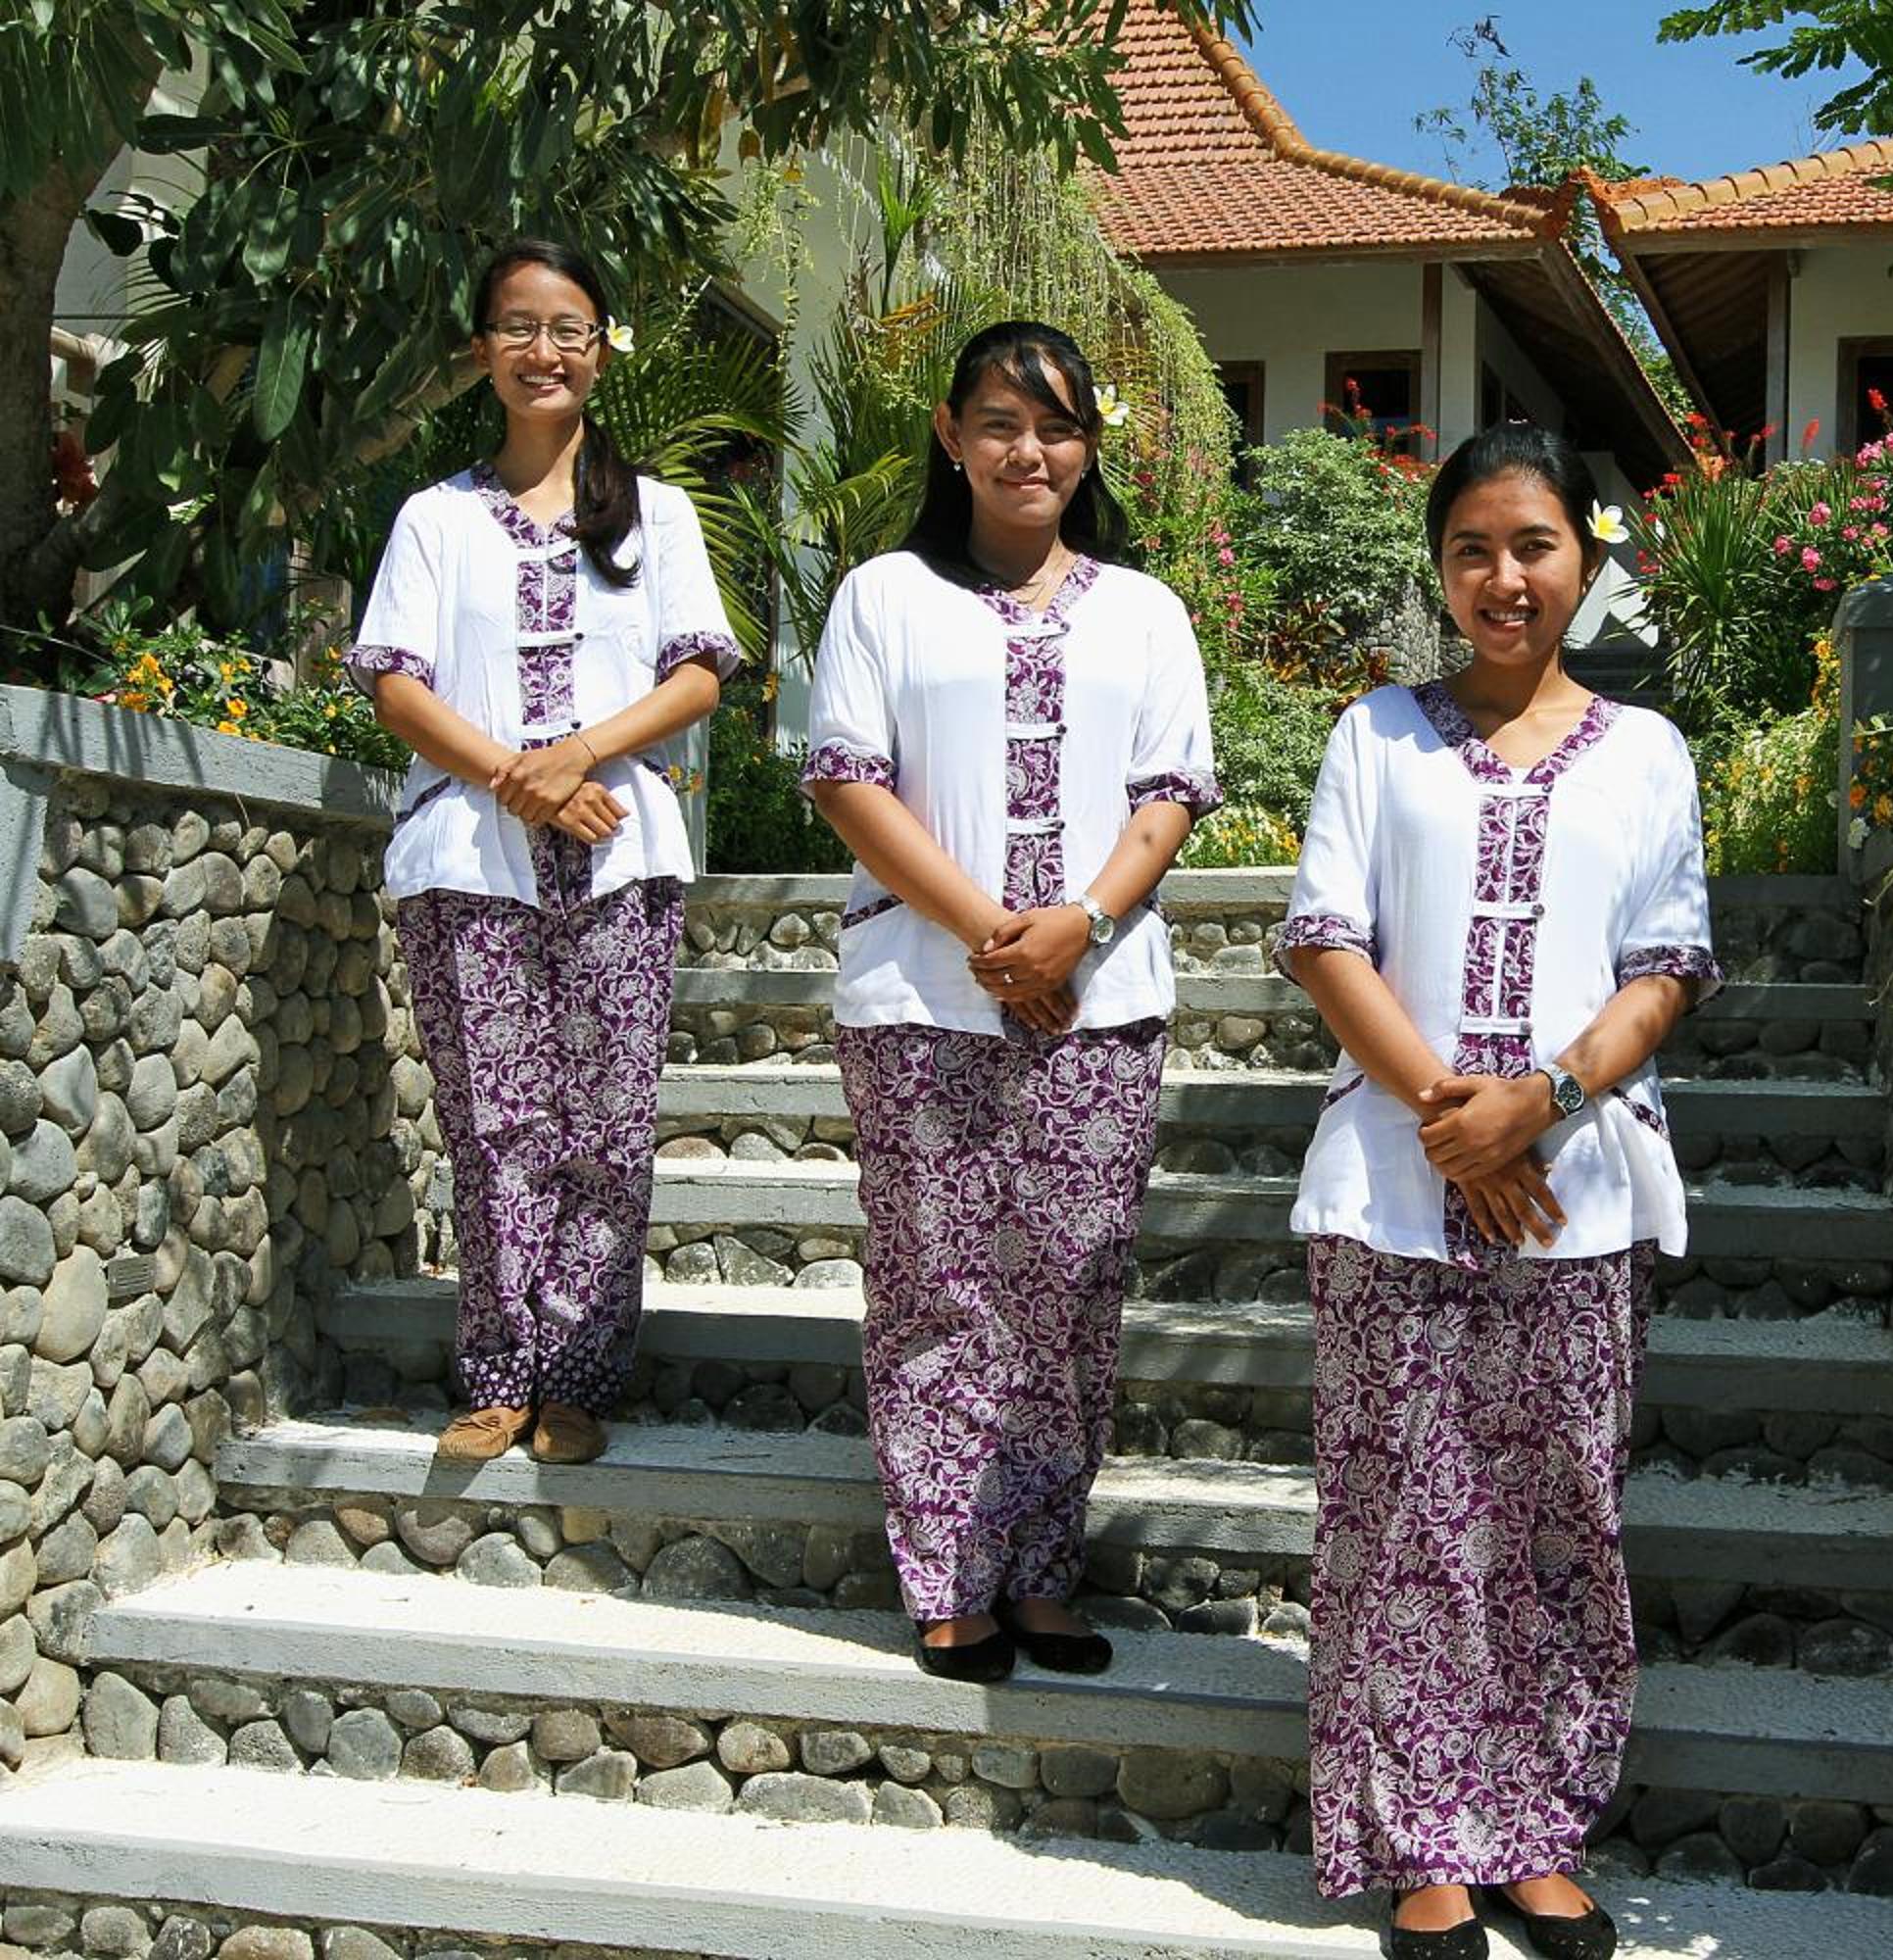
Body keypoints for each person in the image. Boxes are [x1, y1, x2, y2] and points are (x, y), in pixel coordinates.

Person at [1273, 422, 1722, 1960]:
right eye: (1472, 549)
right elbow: (1326, 937)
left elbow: (1666, 965)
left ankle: (1534, 1832)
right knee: (1402, 1509)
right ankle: (1423, 1840)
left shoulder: (1648, 752)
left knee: (1560, 1513)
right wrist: (1448, 1117)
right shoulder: (1374, 735)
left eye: (1534, 546)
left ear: (1585, 558)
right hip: (1392, 1195)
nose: (1504, 577)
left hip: (1580, 1194)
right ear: (1441, 570)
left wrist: (1544, 1101)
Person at [801, 320, 1220, 1684]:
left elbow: (1170, 792)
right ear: (951, 435)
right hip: (920, 1000)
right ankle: (946, 1577)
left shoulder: (1145, 612)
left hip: (1102, 1003)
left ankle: (1041, 1571)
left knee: (1071, 1289)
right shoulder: (883, 596)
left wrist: (1079, 925)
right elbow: (848, 778)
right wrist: (994, 933)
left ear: (1087, 445)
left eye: (1054, 426)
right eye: (998, 421)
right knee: (935, 1283)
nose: (1026, 450)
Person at [348, 238, 739, 1467]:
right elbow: (395, 683)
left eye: (569, 328)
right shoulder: (435, 519)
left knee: (609, 1127)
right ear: (482, 351)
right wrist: (517, 779)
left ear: (602, 349)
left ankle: (577, 1375)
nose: (543, 350)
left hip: (621, 856)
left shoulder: (656, 514)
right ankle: (499, 1374)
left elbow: (698, 673)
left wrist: (575, 756)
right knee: (493, 1125)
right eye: (518, 326)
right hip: (469, 864)